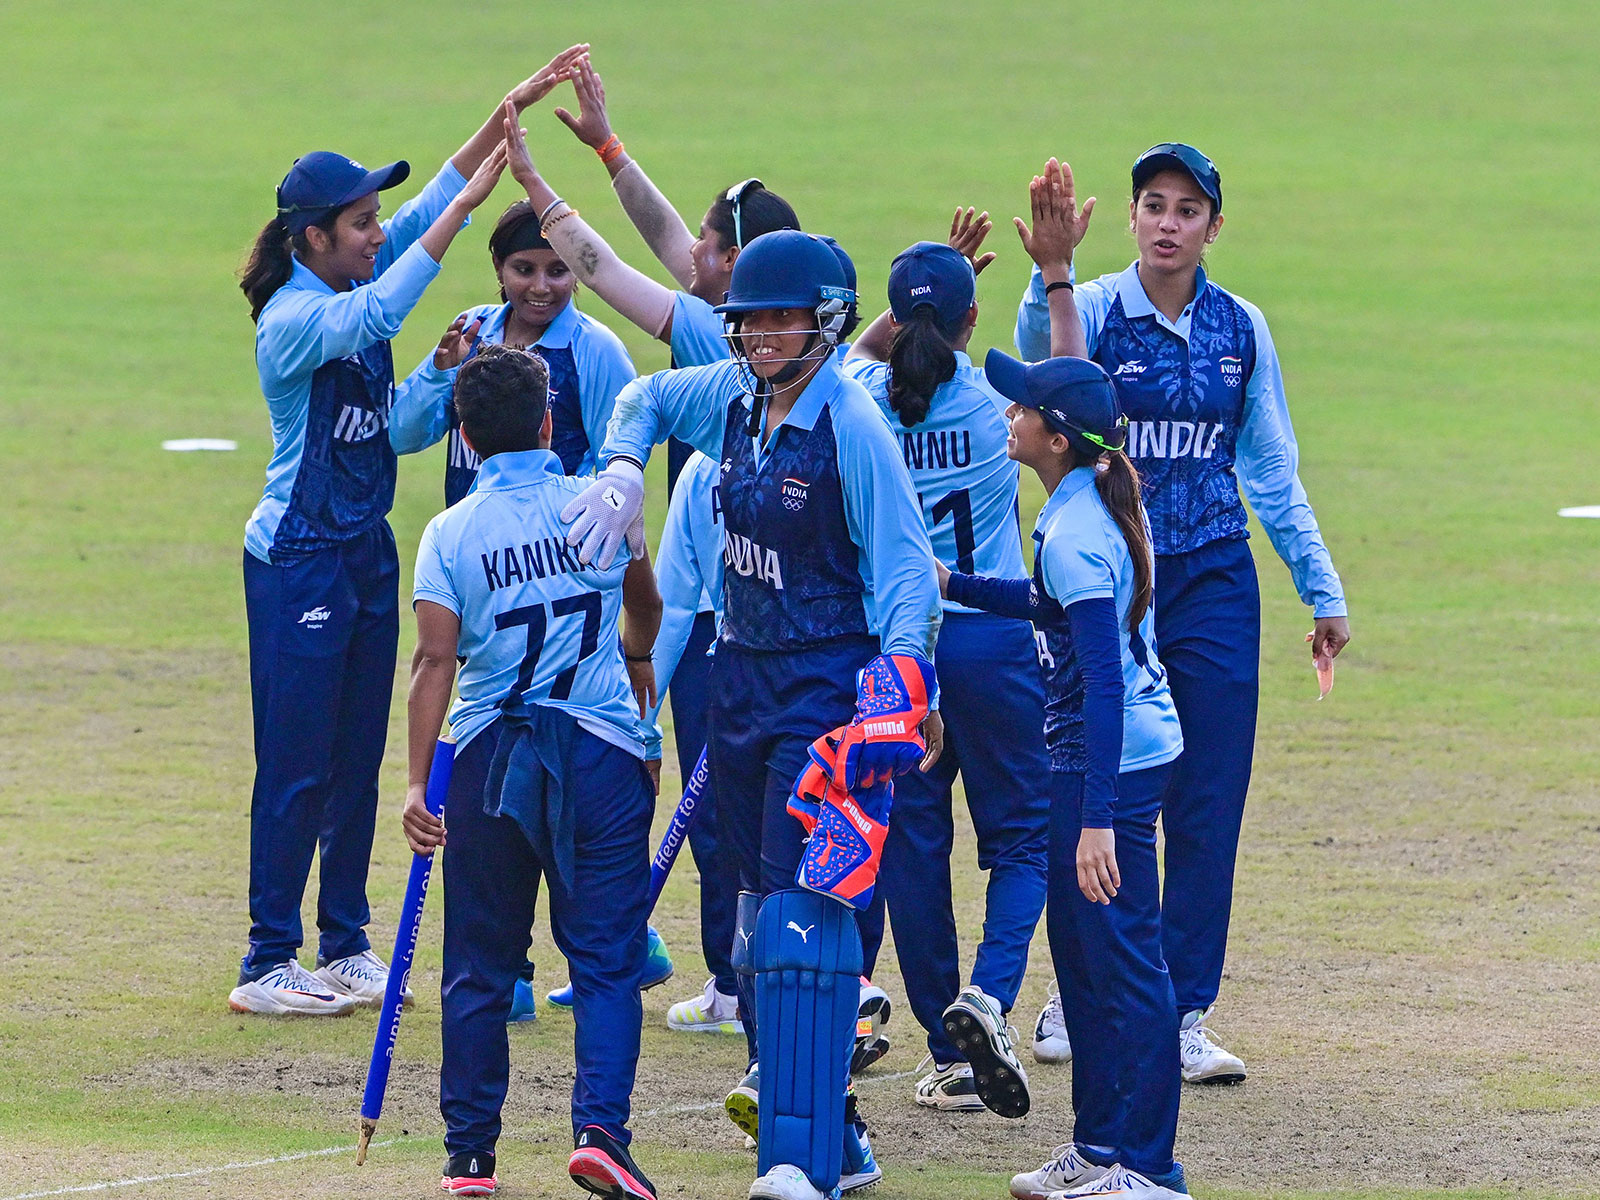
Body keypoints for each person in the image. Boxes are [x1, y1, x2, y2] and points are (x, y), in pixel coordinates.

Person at [561, 225, 941, 1200]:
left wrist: (900, 687)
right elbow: (643, 400)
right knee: (751, 921)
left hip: (830, 689)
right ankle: (836, 1135)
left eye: (781, 319)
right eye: (748, 321)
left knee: (798, 916)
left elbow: (904, 571)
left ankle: (797, 1155)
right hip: (743, 682)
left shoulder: (850, 424)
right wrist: (617, 469)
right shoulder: (730, 399)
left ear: (825, 323)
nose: (762, 337)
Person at [228, 48, 586, 1017]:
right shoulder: (295, 318)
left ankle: (343, 943)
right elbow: (400, 281)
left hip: (364, 552)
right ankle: (268, 957)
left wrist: (504, 114)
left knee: (352, 758)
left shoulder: (345, 277)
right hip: (297, 555)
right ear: (313, 239)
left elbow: (393, 421)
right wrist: (472, 201)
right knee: (297, 762)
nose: (378, 233)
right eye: (361, 223)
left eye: (375, 220)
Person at [1015, 147, 1352, 1081]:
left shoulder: (1242, 329)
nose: (1169, 223)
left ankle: (1182, 1006)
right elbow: (1043, 402)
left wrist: (1319, 587)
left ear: (1213, 227)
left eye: (1189, 209)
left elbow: (1271, 467)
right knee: (1104, 789)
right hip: (1110, 583)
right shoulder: (1089, 308)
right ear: (1129, 217)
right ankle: (1079, 993)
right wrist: (1053, 277)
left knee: (1208, 798)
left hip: (1209, 580)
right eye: (1154, 205)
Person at [403, 344, 663, 1200]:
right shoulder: (599, 500)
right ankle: (601, 1134)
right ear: (549, 421)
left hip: (488, 758)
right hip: (597, 750)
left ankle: (470, 1155)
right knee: (604, 959)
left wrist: (415, 787)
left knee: (480, 962)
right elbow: (644, 598)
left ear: (466, 438)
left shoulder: (449, 533)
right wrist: (633, 656)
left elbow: (433, 664)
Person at [941, 351, 1188, 1200]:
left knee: (1123, 964)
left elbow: (1107, 683)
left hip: (1108, 767)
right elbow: (1042, 605)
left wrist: (1096, 818)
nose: (1008, 418)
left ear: (1054, 437)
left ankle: (1151, 1169)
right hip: (1088, 761)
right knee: (1082, 962)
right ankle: (1097, 1147)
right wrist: (956, 585)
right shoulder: (1077, 511)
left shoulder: (1081, 534)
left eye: (1021, 411)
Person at [843, 233, 1061, 1119]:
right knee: (1023, 839)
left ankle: (948, 1053)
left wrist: (903, 311)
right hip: (997, 645)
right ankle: (989, 998)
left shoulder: (861, 400)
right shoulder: (998, 408)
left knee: (913, 849)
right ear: (972, 320)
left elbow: (858, 349)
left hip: (903, 652)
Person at [390, 197, 638, 501]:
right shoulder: (472, 330)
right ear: (498, 266)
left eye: (558, 271)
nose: (540, 286)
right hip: (473, 542)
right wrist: (438, 373)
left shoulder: (598, 351)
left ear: (577, 270)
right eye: (524, 270)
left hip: (555, 545)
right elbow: (400, 436)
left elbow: (615, 474)